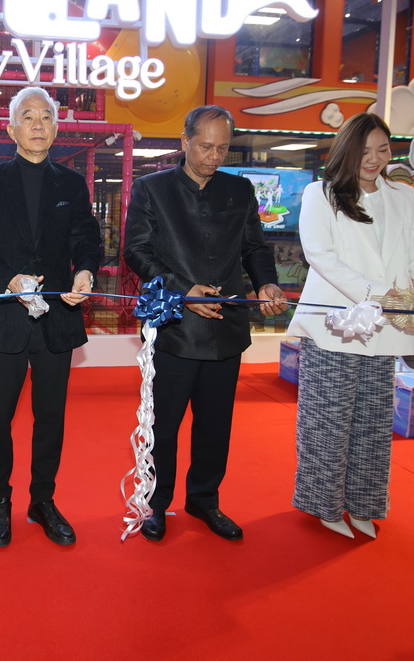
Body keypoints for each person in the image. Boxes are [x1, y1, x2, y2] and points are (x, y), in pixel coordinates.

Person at [286, 113, 414, 539]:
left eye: (382, 149)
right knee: (327, 422)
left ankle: (363, 504)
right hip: (335, 324)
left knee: (373, 423)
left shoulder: (401, 195)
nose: (374, 159)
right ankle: (324, 505)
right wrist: (383, 295)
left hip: (387, 328)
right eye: (364, 150)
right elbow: (321, 256)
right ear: (346, 150)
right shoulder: (321, 193)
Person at [123, 104, 286, 542]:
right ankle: (156, 503)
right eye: (205, 147)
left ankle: (204, 499)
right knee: (164, 427)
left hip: (226, 328)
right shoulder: (152, 189)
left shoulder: (240, 189)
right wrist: (182, 291)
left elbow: (254, 247)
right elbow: (136, 251)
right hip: (174, 328)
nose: (214, 156)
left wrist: (266, 283)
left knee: (215, 425)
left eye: (222, 148)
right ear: (185, 141)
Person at [0, 86, 101, 548]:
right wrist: (10, 280)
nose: (38, 124)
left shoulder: (72, 184)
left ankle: (42, 500)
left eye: (46, 116)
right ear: (11, 129)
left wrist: (85, 271)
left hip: (56, 318)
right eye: (28, 116)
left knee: (51, 418)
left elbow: (86, 238)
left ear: (57, 127)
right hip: (3, 317)